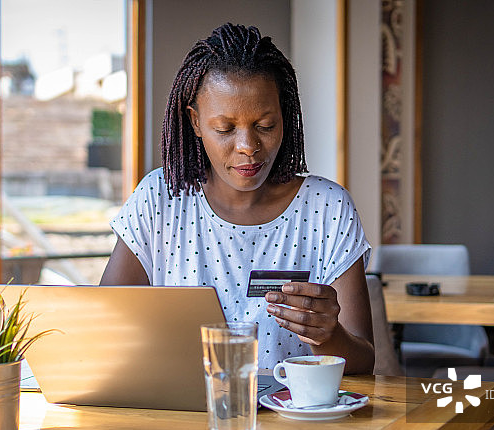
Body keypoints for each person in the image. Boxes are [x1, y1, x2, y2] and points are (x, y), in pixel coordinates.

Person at [101, 23, 374, 374]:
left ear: (284, 117)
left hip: (293, 409)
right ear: (196, 122)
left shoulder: (327, 208)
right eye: (225, 129)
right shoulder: (159, 199)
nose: (248, 146)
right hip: (181, 406)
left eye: (265, 125)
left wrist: (329, 335)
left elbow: (365, 362)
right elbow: (105, 329)